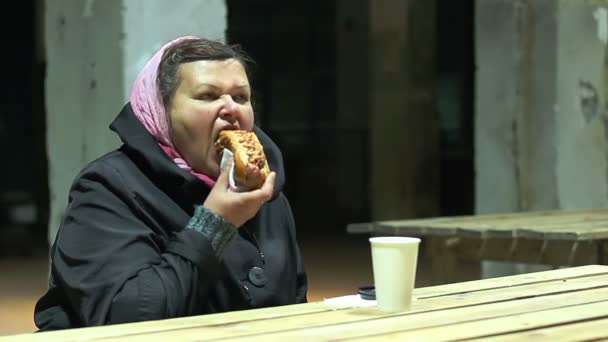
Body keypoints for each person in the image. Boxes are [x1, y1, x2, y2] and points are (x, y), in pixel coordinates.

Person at [34, 36, 308, 330]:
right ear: (160, 112)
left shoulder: (265, 190)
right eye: (207, 96)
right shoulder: (107, 188)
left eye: (241, 97)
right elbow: (127, 319)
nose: (231, 108)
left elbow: (292, 304)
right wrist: (215, 224)